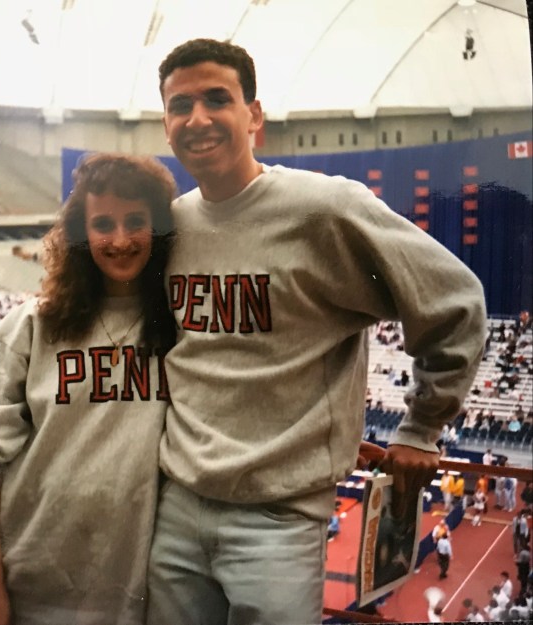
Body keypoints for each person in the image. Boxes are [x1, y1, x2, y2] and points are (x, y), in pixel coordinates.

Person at [146, 38, 488, 625]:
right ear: (166, 125)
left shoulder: (323, 210)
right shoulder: (171, 226)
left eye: (216, 99)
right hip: (175, 506)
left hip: (278, 521)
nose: (197, 119)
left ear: (253, 115)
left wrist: (422, 426)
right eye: (181, 106)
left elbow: (454, 301)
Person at [0, 153, 177, 624]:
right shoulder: (30, 326)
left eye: (136, 221)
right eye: (102, 224)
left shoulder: (181, 327)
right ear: (80, 233)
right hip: (32, 582)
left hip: (135, 595)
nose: (119, 240)